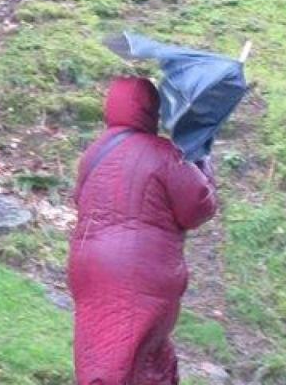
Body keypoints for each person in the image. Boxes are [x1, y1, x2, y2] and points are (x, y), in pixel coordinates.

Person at [68, 76, 218, 385]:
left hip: (88, 266)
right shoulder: (165, 154)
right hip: (139, 271)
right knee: (137, 360)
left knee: (102, 353)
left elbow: (79, 200)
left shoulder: (94, 153)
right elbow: (198, 208)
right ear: (151, 110)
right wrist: (202, 159)